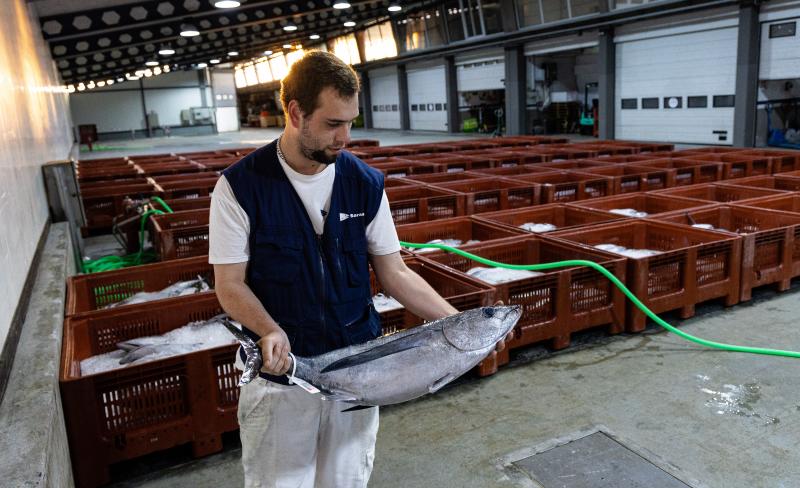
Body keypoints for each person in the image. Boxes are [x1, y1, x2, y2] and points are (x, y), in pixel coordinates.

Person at [209, 51, 509, 488]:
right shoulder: (240, 187)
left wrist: (463, 331)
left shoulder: (365, 183)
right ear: (295, 112)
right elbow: (230, 284)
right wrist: (268, 330)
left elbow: (396, 273)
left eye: (351, 121)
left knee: (347, 482)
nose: (345, 136)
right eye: (333, 124)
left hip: (359, 373)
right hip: (284, 378)